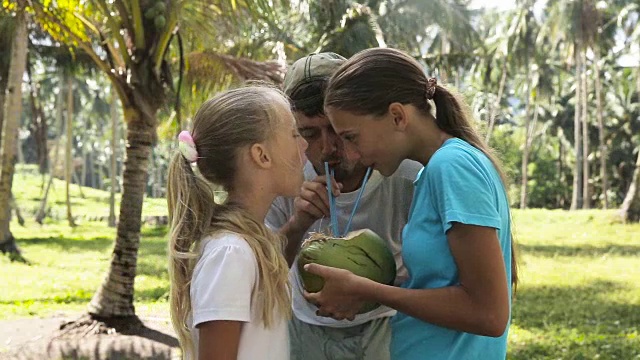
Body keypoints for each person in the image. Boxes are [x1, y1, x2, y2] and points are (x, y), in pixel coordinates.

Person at [303, 47, 519, 360]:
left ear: (397, 116)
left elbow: (488, 314)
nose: (350, 154)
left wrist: (364, 289)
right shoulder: (435, 170)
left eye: (351, 137)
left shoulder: (452, 166)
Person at [266, 52, 422, 360]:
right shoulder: (285, 176)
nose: (327, 149)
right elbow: (263, 272)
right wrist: (298, 223)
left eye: (338, 132)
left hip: (386, 327)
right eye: (309, 134)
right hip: (303, 329)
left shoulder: (404, 173)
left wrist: (368, 293)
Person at [167, 86, 308, 360]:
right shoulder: (230, 254)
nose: (304, 144)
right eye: (294, 134)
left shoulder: (252, 242)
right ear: (261, 155)